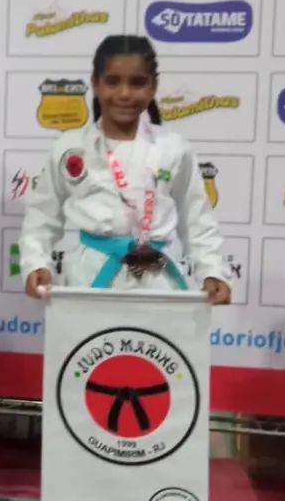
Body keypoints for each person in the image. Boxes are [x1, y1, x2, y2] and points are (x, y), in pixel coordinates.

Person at [19, 34, 231, 303]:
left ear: (153, 87)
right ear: (95, 84)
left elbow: (197, 218)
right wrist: (36, 263)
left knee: (157, 331)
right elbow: (41, 216)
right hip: (90, 278)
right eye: (112, 82)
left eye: (137, 83)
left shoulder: (173, 148)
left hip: (157, 275)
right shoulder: (71, 147)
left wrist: (213, 271)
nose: (124, 94)